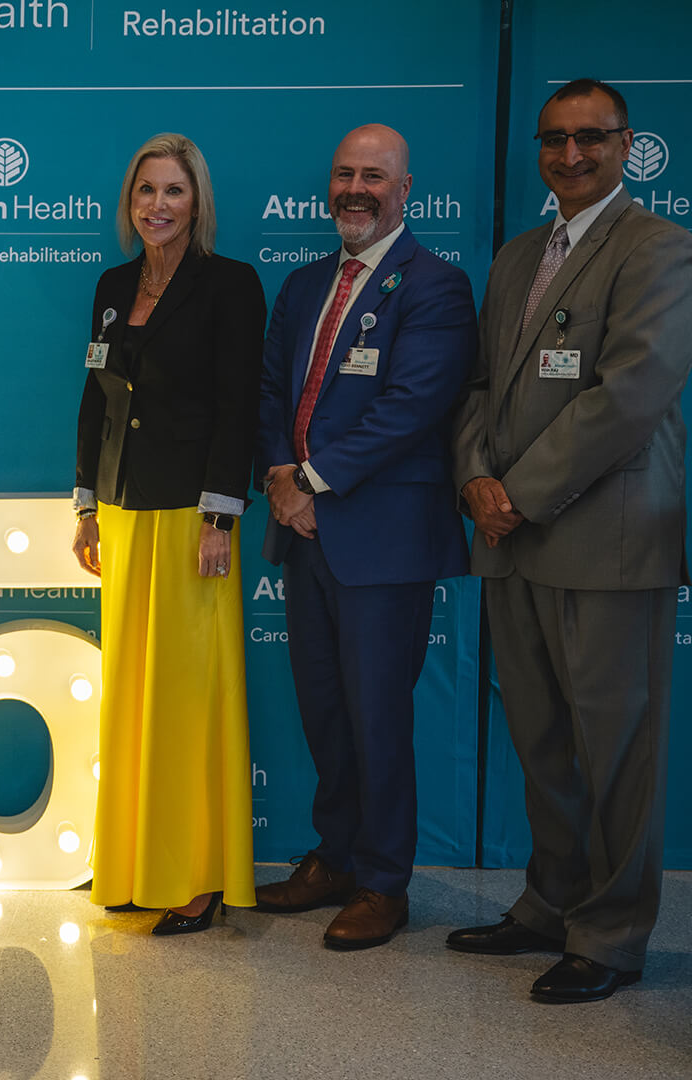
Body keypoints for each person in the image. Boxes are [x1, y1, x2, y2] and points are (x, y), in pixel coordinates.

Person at [448, 78, 692, 1003]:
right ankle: (552, 904)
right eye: (554, 139)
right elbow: (478, 386)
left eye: (590, 138)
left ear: (626, 145)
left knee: (617, 751)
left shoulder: (659, 248)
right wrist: (475, 479)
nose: (570, 155)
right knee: (542, 742)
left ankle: (613, 934)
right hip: (511, 540)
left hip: (607, 543)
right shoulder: (520, 256)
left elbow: (628, 395)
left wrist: (516, 492)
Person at [252, 124, 475, 950]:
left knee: (377, 718)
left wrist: (311, 481)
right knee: (324, 711)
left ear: (405, 189)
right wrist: (281, 479)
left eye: (374, 176)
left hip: (383, 541)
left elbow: (412, 407)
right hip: (302, 532)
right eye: (344, 174)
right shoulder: (305, 283)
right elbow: (270, 393)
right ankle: (336, 858)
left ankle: (384, 882)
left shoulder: (437, 286)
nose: (356, 189)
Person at [72, 133, 264, 934]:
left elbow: (238, 405)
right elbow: (96, 397)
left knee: (187, 701)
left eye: (173, 191)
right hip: (124, 512)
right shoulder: (114, 286)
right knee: (131, 698)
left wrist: (220, 515)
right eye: (146, 190)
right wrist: (86, 505)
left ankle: (196, 877)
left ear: (197, 202)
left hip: (192, 516)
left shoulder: (230, 285)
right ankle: (132, 865)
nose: (158, 205)